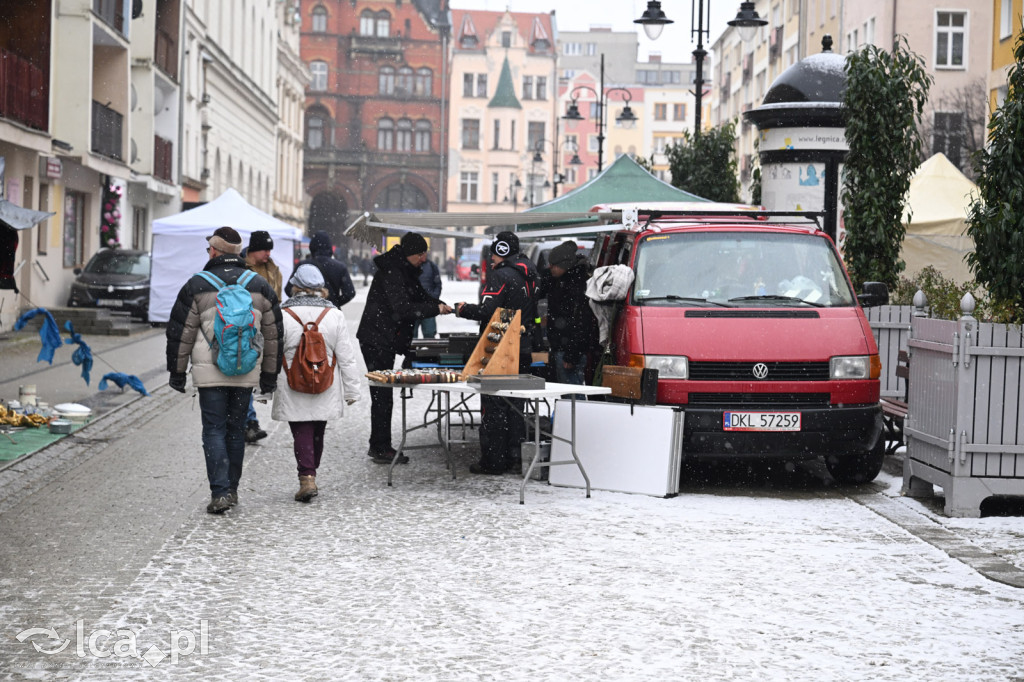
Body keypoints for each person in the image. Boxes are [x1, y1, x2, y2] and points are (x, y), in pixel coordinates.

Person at [166, 226, 282, 514]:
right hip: (244, 370)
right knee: (235, 429)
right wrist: (269, 374)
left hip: (209, 372)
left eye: (209, 249)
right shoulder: (259, 284)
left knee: (214, 430)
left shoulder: (196, 284)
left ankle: (219, 493)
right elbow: (273, 335)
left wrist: (177, 372)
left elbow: (181, 332)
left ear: (215, 251)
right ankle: (232, 489)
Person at [356, 232, 451, 462]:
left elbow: (419, 295)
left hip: (383, 338)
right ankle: (380, 447)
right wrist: (434, 309)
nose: (424, 259)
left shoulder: (403, 269)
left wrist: (438, 304)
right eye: (421, 254)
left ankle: (379, 444)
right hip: (377, 339)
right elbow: (403, 309)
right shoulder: (393, 272)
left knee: (383, 394)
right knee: (381, 394)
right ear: (411, 254)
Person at [271, 264, 362, 502]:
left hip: (292, 379)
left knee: (301, 427)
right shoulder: (335, 315)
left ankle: (307, 476)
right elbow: (346, 355)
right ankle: (311, 471)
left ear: (296, 287)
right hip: (325, 380)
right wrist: (352, 390)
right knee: (318, 428)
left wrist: (263, 388)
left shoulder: (282, 314)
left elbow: (271, 352)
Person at [454, 231, 539, 475]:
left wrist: (462, 309)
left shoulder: (500, 275)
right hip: (522, 346)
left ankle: (493, 461)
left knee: (493, 406)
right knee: (515, 404)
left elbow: (488, 310)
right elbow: (532, 310)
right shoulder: (530, 274)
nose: (491, 257)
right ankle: (514, 456)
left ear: (501, 251)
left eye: (493, 252)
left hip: (499, 347)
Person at [539, 240, 599, 386]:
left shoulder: (577, 286)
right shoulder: (562, 279)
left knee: (571, 394)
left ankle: (573, 410)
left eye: (553, 265)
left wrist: (572, 355)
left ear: (564, 265)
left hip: (568, 351)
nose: (550, 267)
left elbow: (581, 322)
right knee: (568, 393)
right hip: (563, 347)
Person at [243, 230, 282, 444]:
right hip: (246, 329)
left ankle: (245, 420)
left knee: (259, 378)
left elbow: (277, 299)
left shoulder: (273, 269)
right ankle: (249, 422)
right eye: (265, 249)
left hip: (266, 330)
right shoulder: (242, 269)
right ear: (253, 249)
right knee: (245, 378)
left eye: (270, 249)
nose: (268, 253)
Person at [285, 230, 356, 309]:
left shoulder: (303, 265)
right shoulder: (340, 267)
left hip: (305, 311)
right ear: (329, 247)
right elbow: (349, 293)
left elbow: (288, 289)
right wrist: (334, 303)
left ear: (312, 246)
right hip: (330, 313)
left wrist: (303, 301)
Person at [413, 256, 442, 339]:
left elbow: (438, 284)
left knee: (429, 334)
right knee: (411, 336)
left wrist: (434, 297)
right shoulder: (408, 266)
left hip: (428, 305)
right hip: (412, 306)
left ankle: (429, 351)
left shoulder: (431, 266)